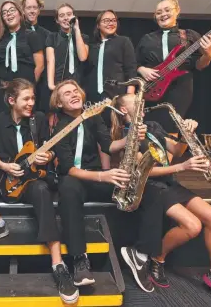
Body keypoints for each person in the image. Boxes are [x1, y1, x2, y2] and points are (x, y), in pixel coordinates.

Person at [112, 94, 211, 307]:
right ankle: (157, 258)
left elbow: (176, 150)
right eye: (135, 101)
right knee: (193, 226)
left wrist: (185, 134)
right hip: (150, 188)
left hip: (170, 183)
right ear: (124, 110)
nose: (142, 102)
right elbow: (144, 172)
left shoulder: (153, 125)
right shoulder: (125, 135)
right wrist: (183, 167)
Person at [0, 78, 78, 304]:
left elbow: (50, 148)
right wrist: (4, 165)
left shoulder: (38, 119)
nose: (31, 103)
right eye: (26, 99)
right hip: (4, 176)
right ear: (12, 100)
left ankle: (58, 264)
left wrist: (46, 155)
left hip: (31, 177)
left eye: (33, 98)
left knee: (41, 189)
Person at [51, 80, 131, 287]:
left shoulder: (93, 118)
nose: (74, 94)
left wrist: (130, 137)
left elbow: (109, 145)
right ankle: (79, 260)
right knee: (68, 189)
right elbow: (68, 168)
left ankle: (138, 252)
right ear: (59, 104)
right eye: (67, 93)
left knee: (132, 184)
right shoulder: (59, 125)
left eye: (75, 90)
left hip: (95, 175)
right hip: (74, 178)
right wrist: (103, 176)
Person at [137, 0, 211, 151]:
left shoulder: (189, 35)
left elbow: (200, 65)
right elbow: (134, 63)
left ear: (177, 11)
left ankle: (165, 168)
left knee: (171, 123)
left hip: (180, 88)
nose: (163, 14)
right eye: (158, 12)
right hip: (152, 88)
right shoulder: (147, 39)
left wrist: (208, 54)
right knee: (151, 126)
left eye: (167, 10)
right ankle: (152, 167)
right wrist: (142, 69)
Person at [0, 0, 45, 114]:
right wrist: (1, 80)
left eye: (11, 10)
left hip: (26, 89)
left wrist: (29, 86)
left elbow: (40, 65)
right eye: (4, 13)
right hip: (3, 90)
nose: (8, 14)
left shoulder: (31, 35)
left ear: (20, 13)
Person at [85, 9, 137, 103]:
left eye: (113, 20)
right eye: (106, 20)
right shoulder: (91, 46)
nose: (111, 23)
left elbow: (131, 70)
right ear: (98, 25)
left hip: (117, 94)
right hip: (92, 96)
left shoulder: (124, 41)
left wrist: (130, 96)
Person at [19, 0, 51, 113]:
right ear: (22, 10)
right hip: (23, 84)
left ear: (39, 10)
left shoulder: (48, 35)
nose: (32, 11)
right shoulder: (18, 33)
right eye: (28, 7)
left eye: (35, 7)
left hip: (43, 87)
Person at [45, 3, 89, 90]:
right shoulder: (52, 37)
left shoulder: (83, 37)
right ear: (57, 20)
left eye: (69, 14)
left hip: (78, 85)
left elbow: (83, 57)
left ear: (74, 17)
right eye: (61, 15)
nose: (66, 18)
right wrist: (51, 85)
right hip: (59, 84)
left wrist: (77, 29)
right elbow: (50, 61)